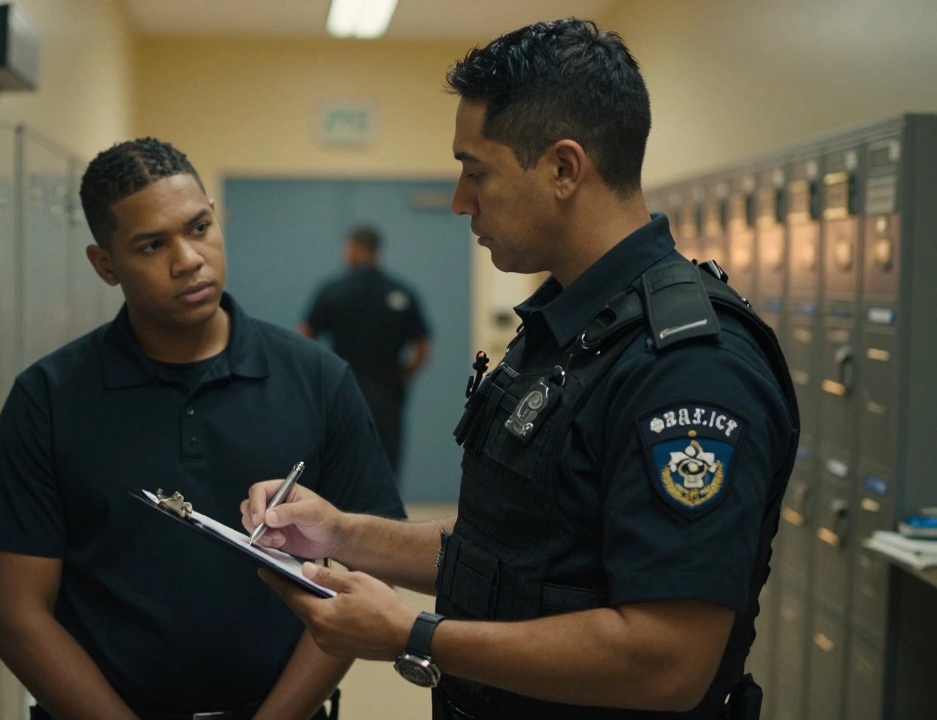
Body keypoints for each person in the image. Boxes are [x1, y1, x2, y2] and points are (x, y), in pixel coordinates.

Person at [241, 19, 798, 720]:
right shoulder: (567, 329)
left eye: (476, 172)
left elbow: (667, 662)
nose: (459, 200)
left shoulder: (686, 365)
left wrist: (416, 636)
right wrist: (339, 534)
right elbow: (510, 553)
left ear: (564, 169)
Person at [0, 137, 406, 720]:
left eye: (198, 228)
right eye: (151, 244)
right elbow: (17, 617)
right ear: (105, 265)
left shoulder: (318, 379)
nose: (188, 259)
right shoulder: (48, 397)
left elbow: (371, 571)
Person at [299, 226, 431, 476]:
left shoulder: (333, 291)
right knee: (386, 471)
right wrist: (402, 375)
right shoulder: (401, 292)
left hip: (343, 393)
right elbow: (423, 348)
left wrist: (323, 374)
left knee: (343, 470)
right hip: (387, 394)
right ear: (377, 250)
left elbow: (304, 337)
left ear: (352, 248)